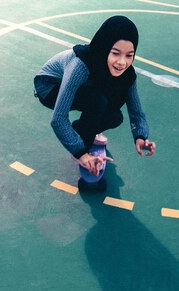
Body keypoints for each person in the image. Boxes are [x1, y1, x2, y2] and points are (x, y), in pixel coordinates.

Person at [33, 15, 156, 178]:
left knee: (115, 117)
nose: (121, 62)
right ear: (104, 48)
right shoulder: (80, 65)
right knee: (98, 102)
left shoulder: (128, 74)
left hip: (85, 85)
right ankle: (82, 139)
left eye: (129, 55)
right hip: (49, 86)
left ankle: (81, 130)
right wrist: (81, 153)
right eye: (115, 53)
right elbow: (58, 119)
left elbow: (136, 112)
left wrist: (141, 136)